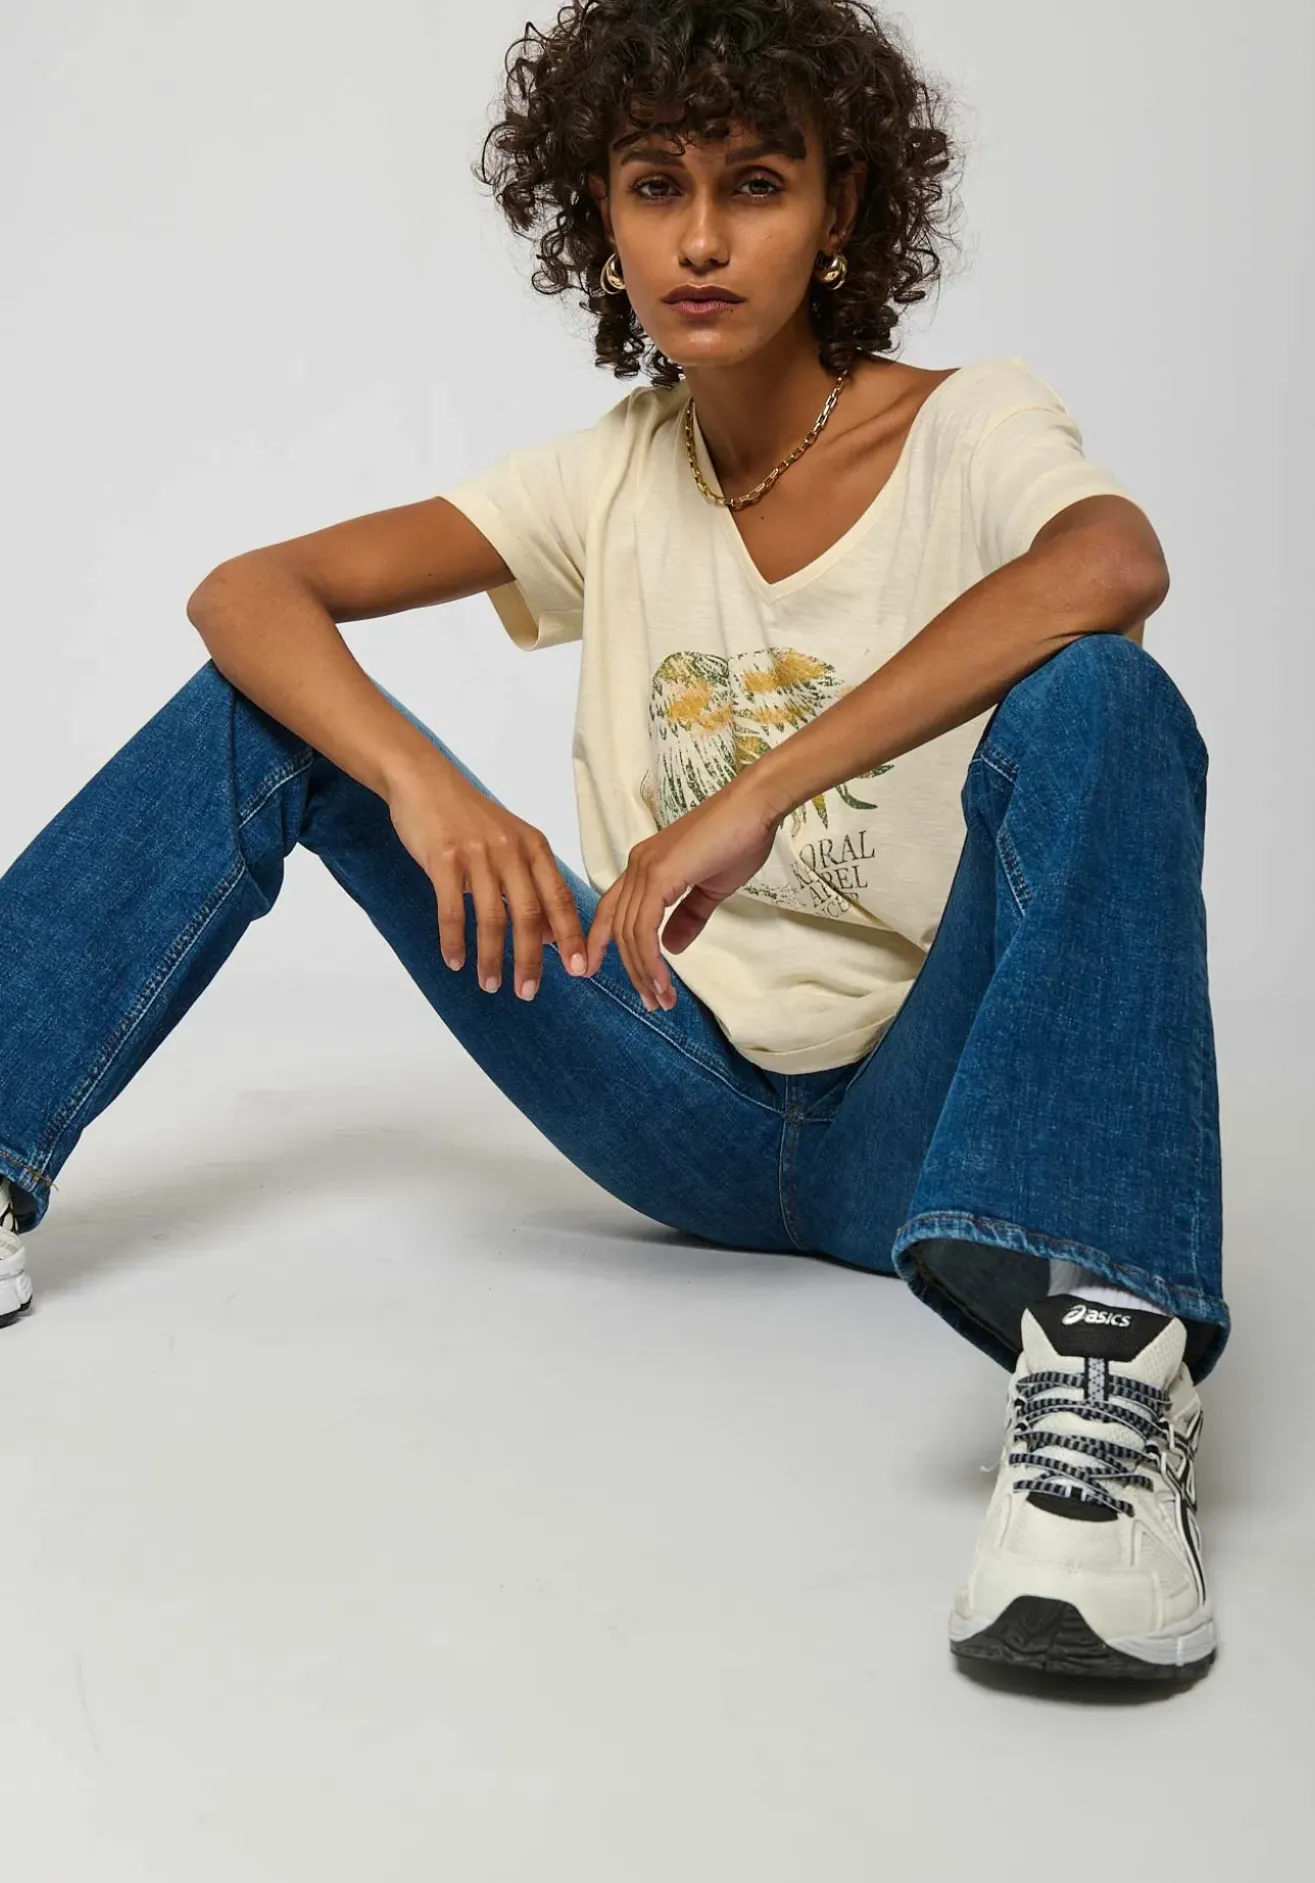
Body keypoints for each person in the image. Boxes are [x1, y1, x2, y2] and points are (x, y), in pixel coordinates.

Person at [0, 0, 1222, 1685]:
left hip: (935, 1114)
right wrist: (426, 788)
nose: (701, 240)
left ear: (843, 208)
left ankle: (1104, 1388)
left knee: (1101, 695)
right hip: (670, 1081)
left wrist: (760, 786)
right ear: (602, 216)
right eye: (656, 186)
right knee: (260, 705)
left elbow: (1110, 564)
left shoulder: (967, 427)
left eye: (756, 184)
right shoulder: (610, 477)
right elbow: (247, 592)